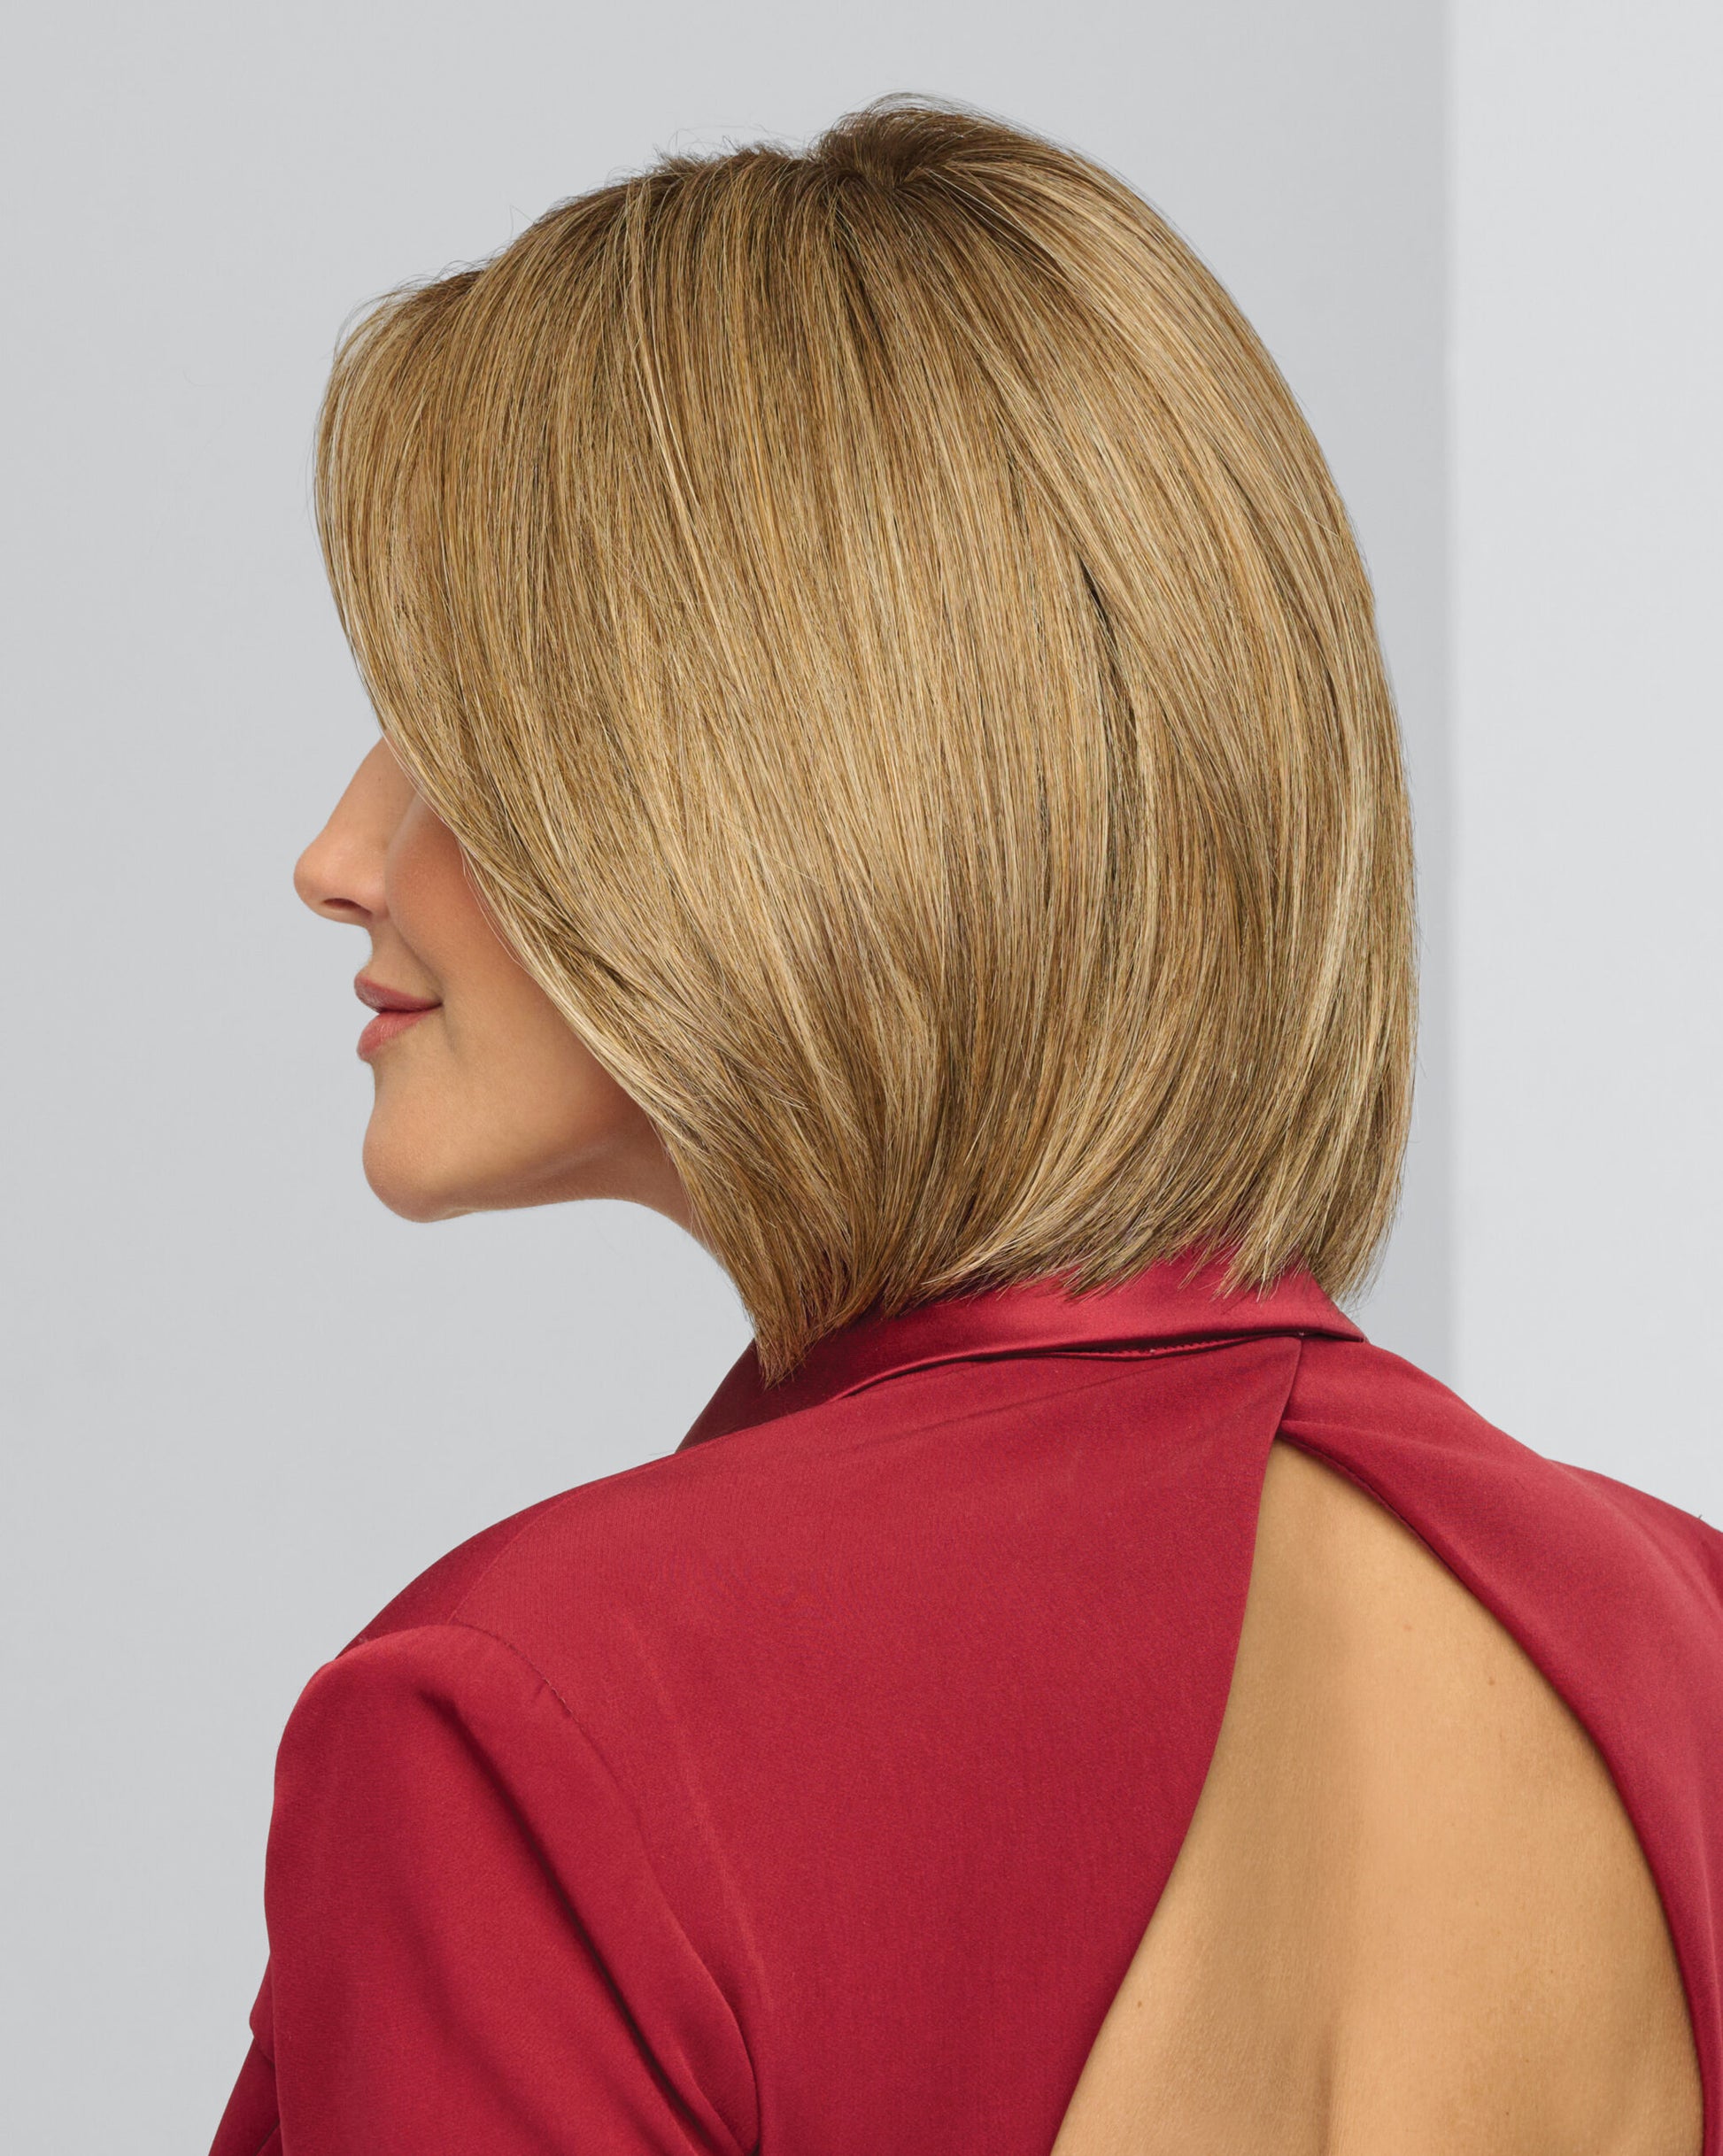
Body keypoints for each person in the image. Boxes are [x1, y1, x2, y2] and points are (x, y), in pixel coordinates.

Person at [210, 94, 1720, 2155]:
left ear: (762, 784)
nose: (338, 854)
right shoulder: (1680, 1640)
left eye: (463, 737)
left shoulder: (542, 1719)